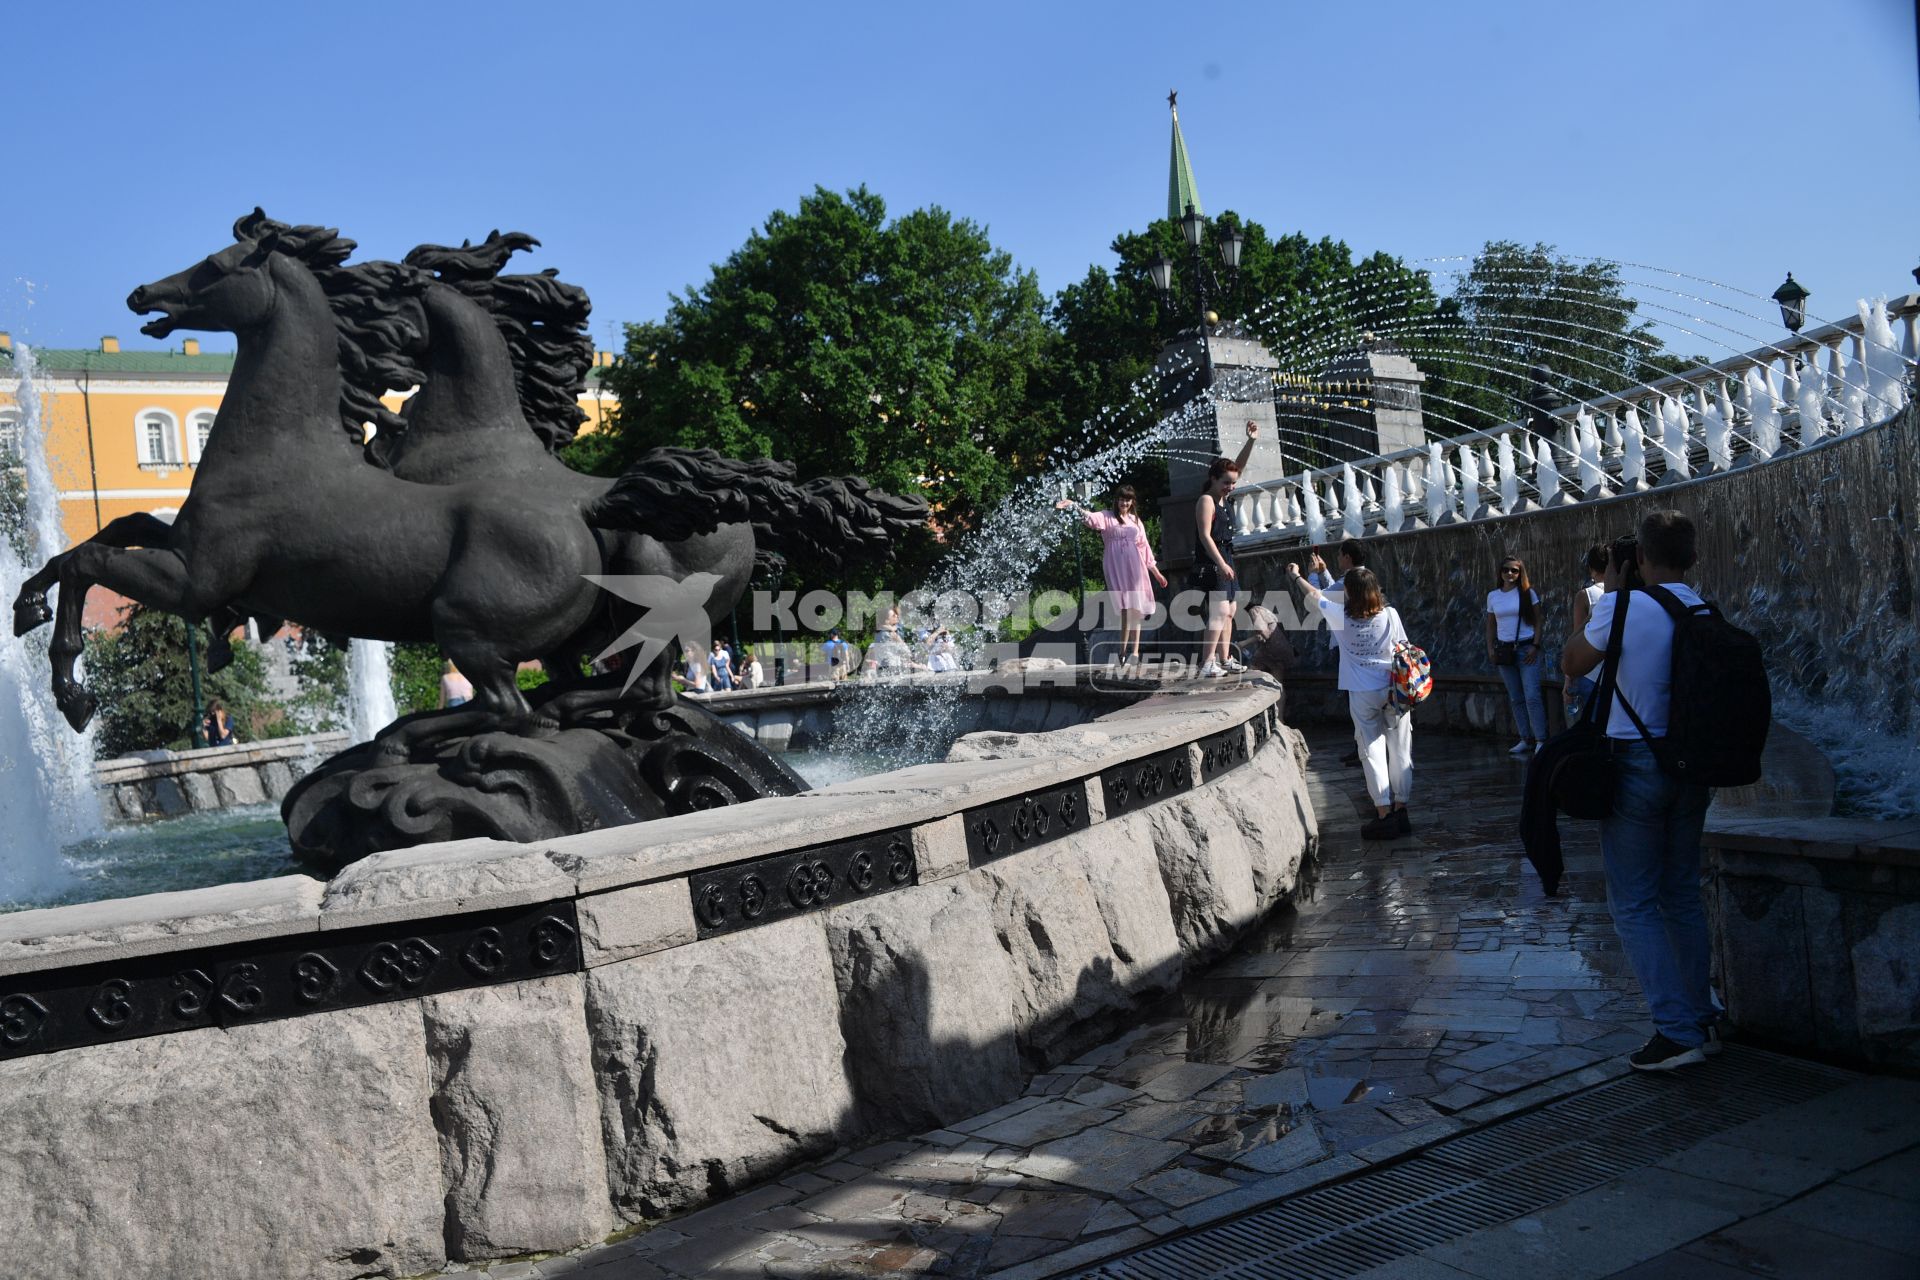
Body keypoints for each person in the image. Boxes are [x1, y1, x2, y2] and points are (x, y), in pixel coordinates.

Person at [1561, 510, 1716, 1072]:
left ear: (1641, 559)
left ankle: (1676, 1032)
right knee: (1680, 895)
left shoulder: (1624, 607)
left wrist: (1611, 594)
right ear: (1690, 558)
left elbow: (1571, 661)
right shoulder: (1702, 608)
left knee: (1633, 903)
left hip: (1634, 766)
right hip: (1691, 768)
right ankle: (1701, 1016)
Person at [1288, 561, 1412, 839]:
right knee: (1401, 749)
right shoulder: (1390, 615)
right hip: (1394, 690)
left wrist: (1297, 576)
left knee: (1371, 752)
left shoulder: (1340, 616)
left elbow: (1313, 596)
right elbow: (1404, 649)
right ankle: (1401, 809)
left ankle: (1384, 813)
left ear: (1350, 593)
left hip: (1362, 692)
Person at [1056, 483, 1169, 663]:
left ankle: (1134, 652)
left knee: (1135, 609)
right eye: (1121, 499)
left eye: (1128, 500)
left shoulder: (1136, 521)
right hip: (1116, 566)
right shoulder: (1106, 517)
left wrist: (1156, 573)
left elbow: (1144, 547)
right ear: (1117, 500)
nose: (1124, 503)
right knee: (1125, 608)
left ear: (1132, 502)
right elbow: (1090, 518)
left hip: (1135, 566)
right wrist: (1073, 505)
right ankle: (1123, 651)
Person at [1192, 421, 1260, 678]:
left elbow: (1237, 468)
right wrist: (1221, 563)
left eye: (1232, 483)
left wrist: (1251, 441)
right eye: (1226, 483)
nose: (1230, 486)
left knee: (1230, 610)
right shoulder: (1206, 501)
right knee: (1219, 610)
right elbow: (1204, 536)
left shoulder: (1223, 498)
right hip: (1212, 559)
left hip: (1225, 557)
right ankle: (1207, 662)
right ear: (1213, 479)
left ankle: (1224, 657)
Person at [1308, 540, 1368, 766]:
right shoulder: (1364, 578)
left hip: (1346, 648)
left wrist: (1312, 574)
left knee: (1353, 700)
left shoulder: (1350, 582)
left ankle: (1362, 748)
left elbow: (1319, 598)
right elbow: (1336, 592)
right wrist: (1325, 573)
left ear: (1348, 558)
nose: (1338, 558)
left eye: (1341, 555)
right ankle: (1362, 745)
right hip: (1362, 646)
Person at [1486, 555, 1548, 755]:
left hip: (1526, 648)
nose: (1510, 573)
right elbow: (1491, 625)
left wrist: (1535, 646)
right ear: (1500, 572)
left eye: (1514, 570)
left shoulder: (1528, 593)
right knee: (1516, 698)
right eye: (1506, 570)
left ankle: (1541, 739)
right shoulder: (1493, 596)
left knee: (1532, 696)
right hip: (1504, 651)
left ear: (1520, 573)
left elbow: (1538, 620)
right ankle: (1525, 739)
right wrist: (1490, 648)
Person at [1563, 544, 1610, 720]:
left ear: (1591, 568)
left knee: (1594, 730)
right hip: (1620, 675)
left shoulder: (1586, 595)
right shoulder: (1628, 592)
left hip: (1592, 675)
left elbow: (1577, 640)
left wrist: (1568, 681)